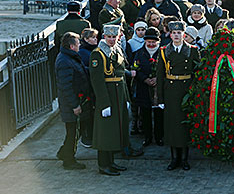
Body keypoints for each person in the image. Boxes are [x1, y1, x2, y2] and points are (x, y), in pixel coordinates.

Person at [89, 25, 135, 176]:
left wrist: (126, 98)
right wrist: (104, 104)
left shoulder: (117, 50)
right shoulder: (98, 54)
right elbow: (97, 81)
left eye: (114, 37)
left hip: (119, 94)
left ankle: (111, 162)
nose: (111, 40)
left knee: (115, 130)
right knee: (105, 132)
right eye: (109, 37)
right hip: (107, 97)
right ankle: (103, 164)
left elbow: (121, 76)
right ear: (104, 36)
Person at [156, 21, 201, 170]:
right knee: (172, 125)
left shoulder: (193, 50)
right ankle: (174, 157)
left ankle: (184, 158)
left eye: (179, 33)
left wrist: (195, 94)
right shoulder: (164, 51)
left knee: (184, 125)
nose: (176, 35)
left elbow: (197, 74)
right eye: (173, 33)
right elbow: (160, 75)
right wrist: (160, 98)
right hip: (170, 91)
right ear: (170, 34)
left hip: (186, 90)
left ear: (184, 34)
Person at [55, 32, 90, 170]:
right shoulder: (65, 61)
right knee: (73, 133)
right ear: (71, 46)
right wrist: (75, 105)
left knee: (74, 132)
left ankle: (64, 153)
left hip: (74, 102)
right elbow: (66, 87)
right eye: (78, 44)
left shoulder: (69, 57)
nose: (80, 45)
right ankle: (69, 160)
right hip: (71, 104)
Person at [133, 27, 164, 147]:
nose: (151, 44)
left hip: (158, 88)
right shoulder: (139, 53)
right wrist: (145, 79)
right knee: (145, 114)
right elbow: (135, 68)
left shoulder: (162, 53)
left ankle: (159, 137)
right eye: (148, 42)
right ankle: (147, 137)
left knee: (158, 114)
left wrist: (157, 78)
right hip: (144, 87)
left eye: (153, 42)